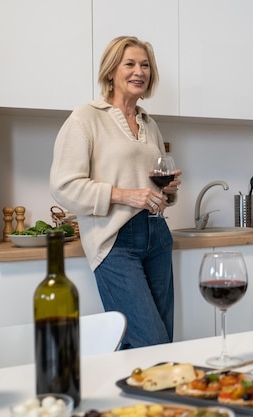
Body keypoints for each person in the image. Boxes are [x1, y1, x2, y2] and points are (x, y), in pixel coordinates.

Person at [50, 36, 181, 349]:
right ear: (111, 71)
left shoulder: (149, 123)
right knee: (153, 343)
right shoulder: (86, 117)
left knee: (156, 343)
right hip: (116, 240)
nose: (140, 71)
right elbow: (63, 184)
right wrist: (124, 195)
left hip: (157, 234)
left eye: (145, 65)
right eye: (130, 64)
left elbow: (152, 185)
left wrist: (169, 191)